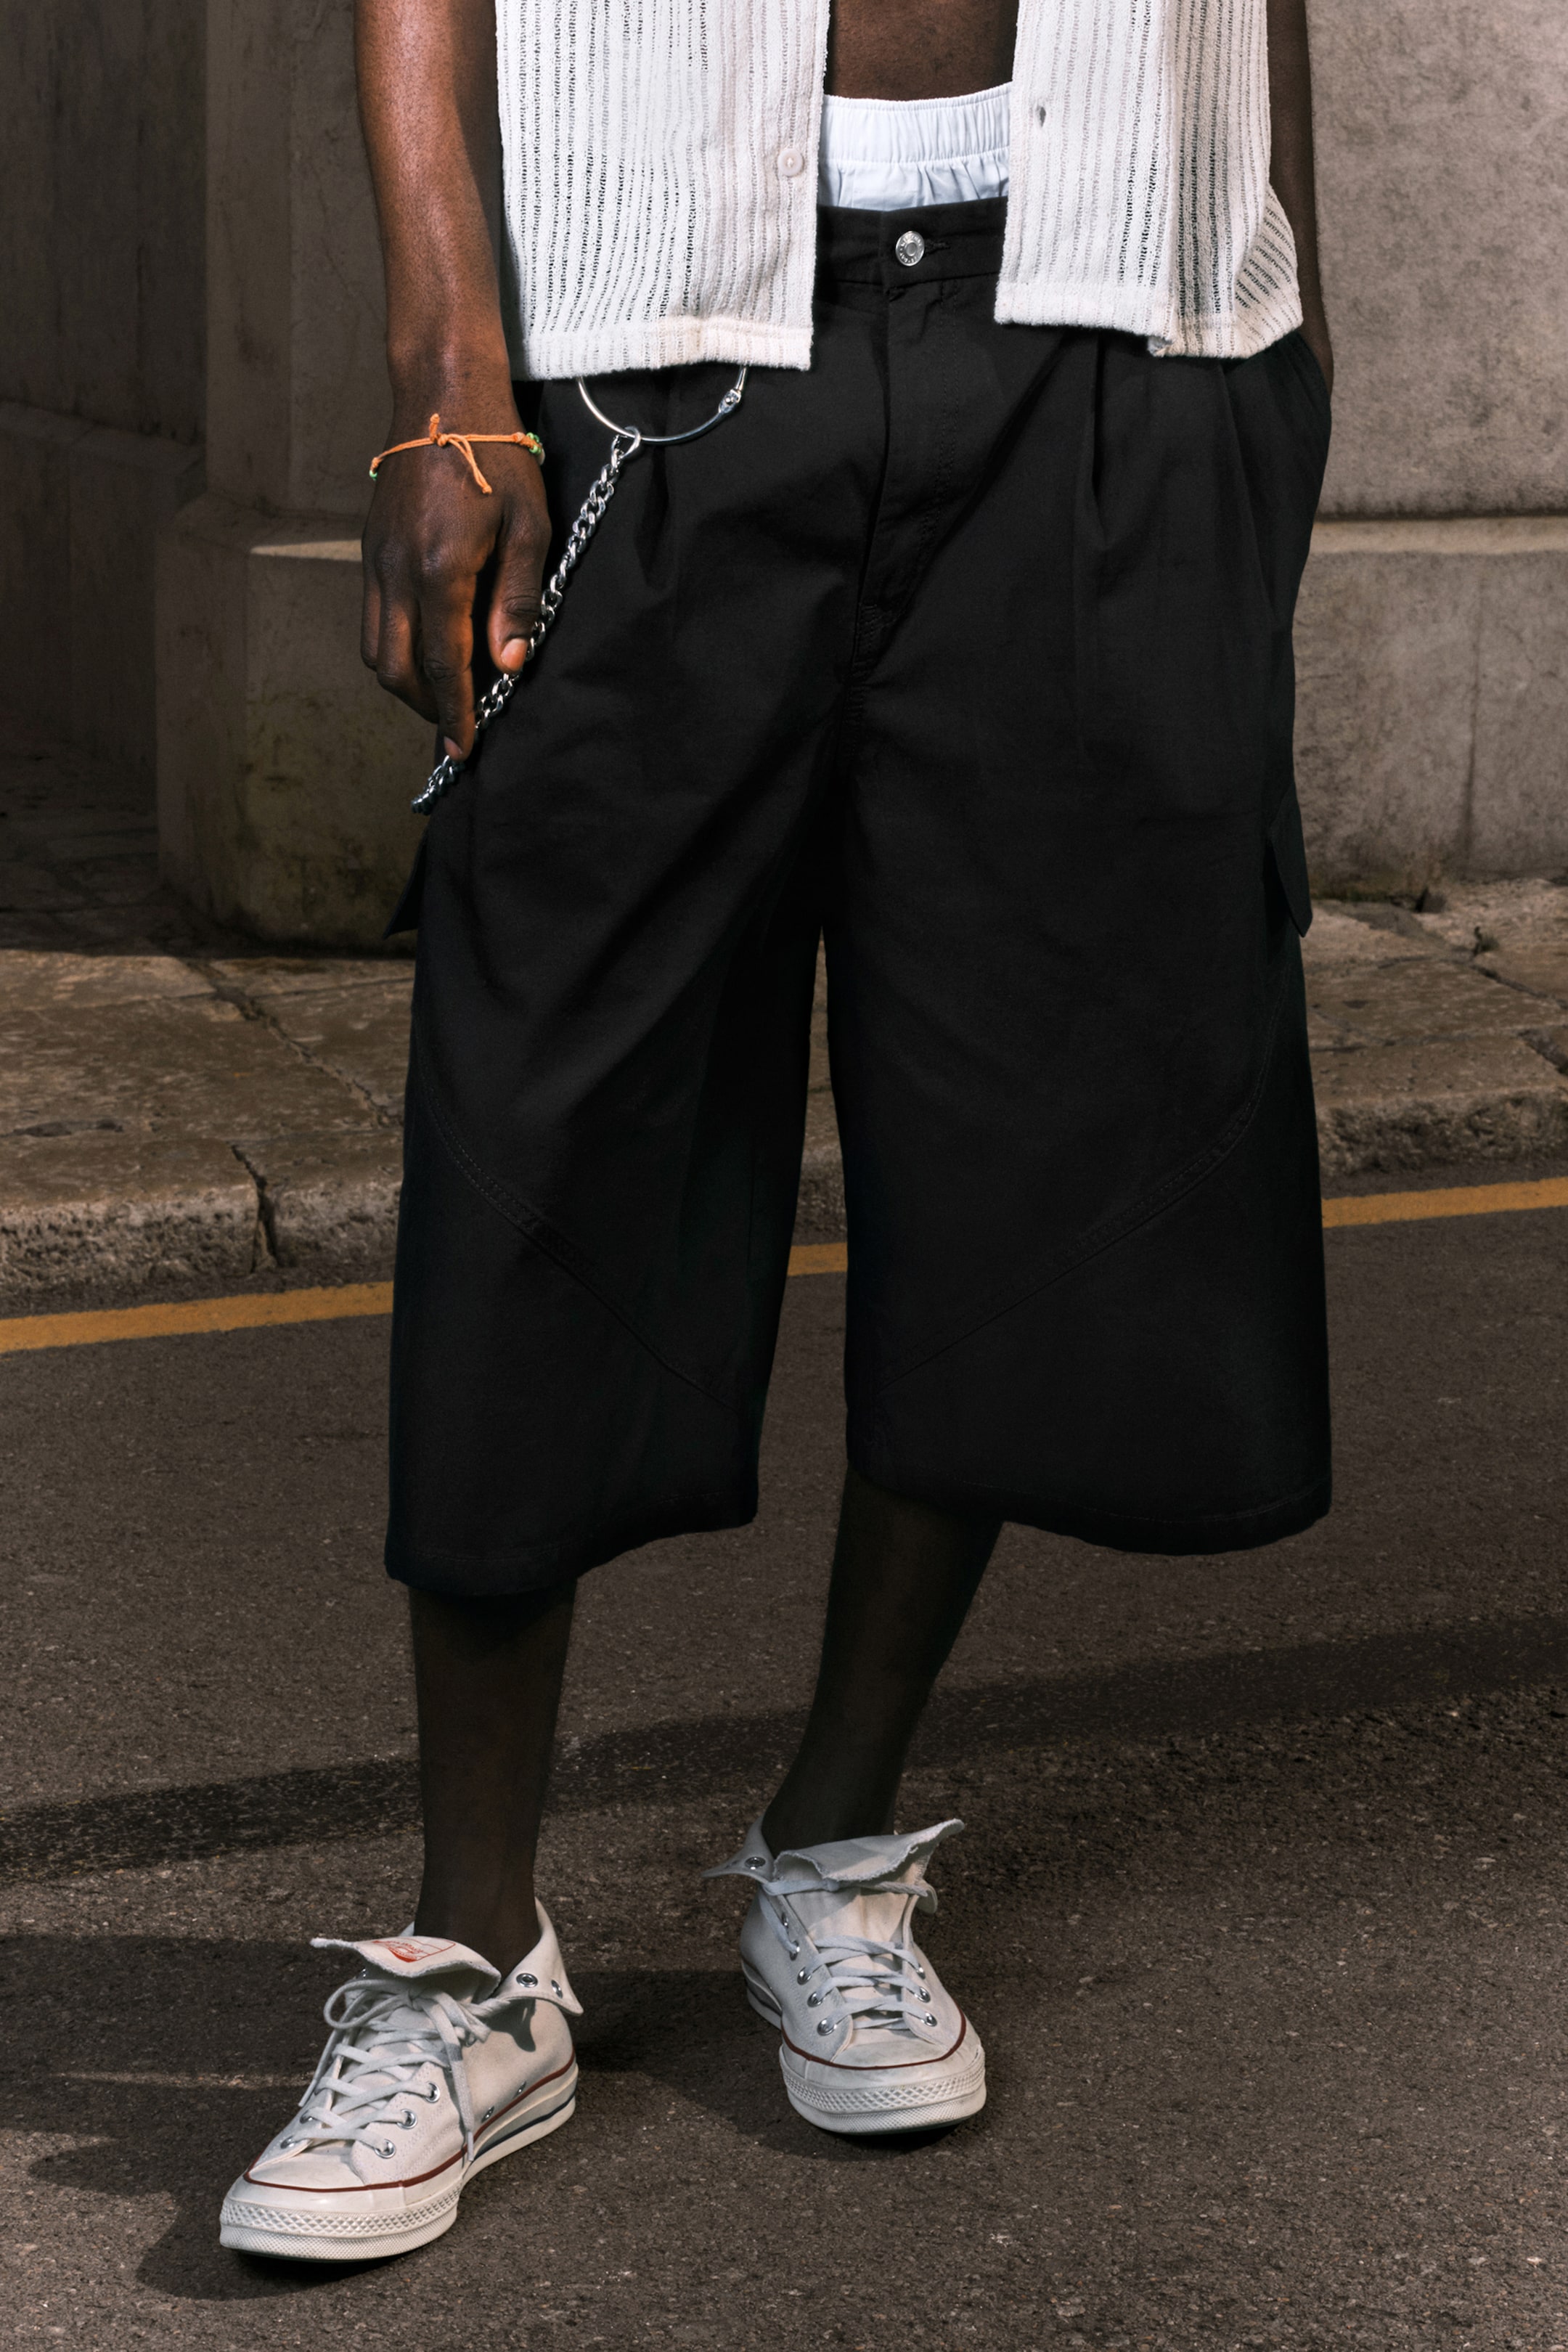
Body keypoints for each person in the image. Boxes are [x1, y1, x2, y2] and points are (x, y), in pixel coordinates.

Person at [220, 0, 1335, 2261]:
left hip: (1113, 308)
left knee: (1027, 1116)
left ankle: (835, 1838)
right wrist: (447, 370)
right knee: (552, 1111)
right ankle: (475, 1959)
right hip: (662, 331)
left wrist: (1273, 338)